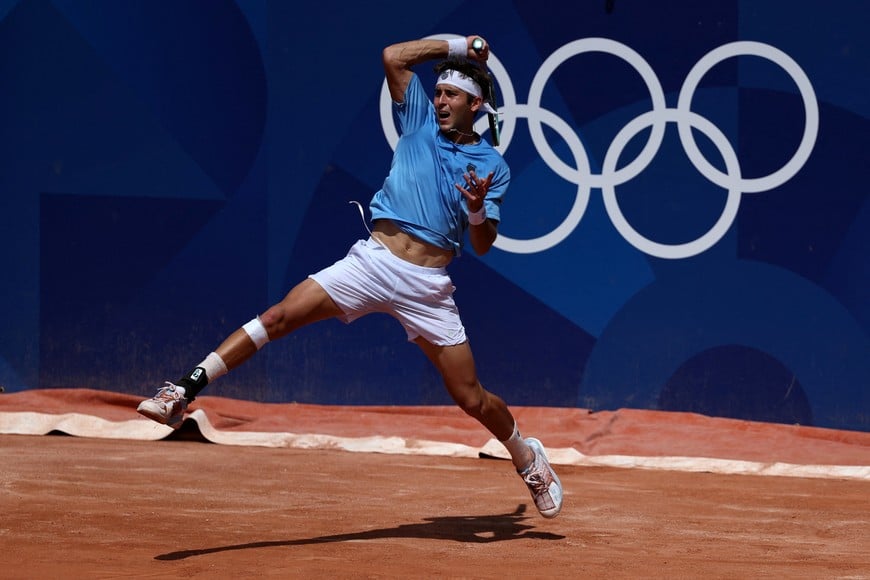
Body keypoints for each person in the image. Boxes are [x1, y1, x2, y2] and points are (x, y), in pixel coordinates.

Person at [137, 35, 563, 519]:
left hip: (427, 287)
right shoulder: (417, 117)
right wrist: (457, 47)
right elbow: (393, 57)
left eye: (452, 95)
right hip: (372, 262)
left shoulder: (493, 165)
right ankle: (182, 391)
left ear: (476, 104)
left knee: (471, 397)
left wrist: (476, 209)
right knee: (278, 316)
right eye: (438, 92)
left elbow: (484, 243)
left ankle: (526, 456)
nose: (441, 100)